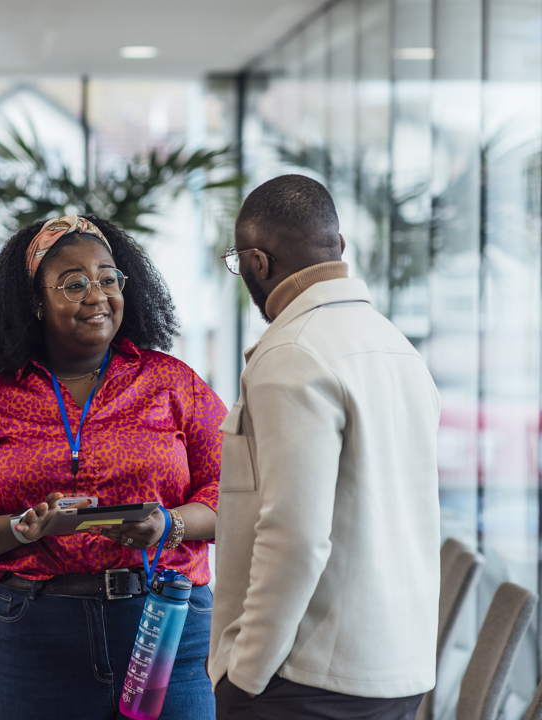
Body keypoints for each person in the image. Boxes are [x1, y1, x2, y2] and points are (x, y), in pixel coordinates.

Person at [0, 215, 226, 720]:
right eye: (74, 284)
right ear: (34, 303)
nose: (97, 295)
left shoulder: (174, 384)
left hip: (164, 621)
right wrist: (20, 530)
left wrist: (169, 524)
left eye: (109, 279)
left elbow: (236, 493)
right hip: (38, 634)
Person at [209, 175, 439, 718]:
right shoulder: (396, 347)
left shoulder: (292, 351)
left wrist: (244, 673)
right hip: (395, 671)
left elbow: (294, 533)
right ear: (339, 249)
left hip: (308, 678)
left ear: (256, 263)